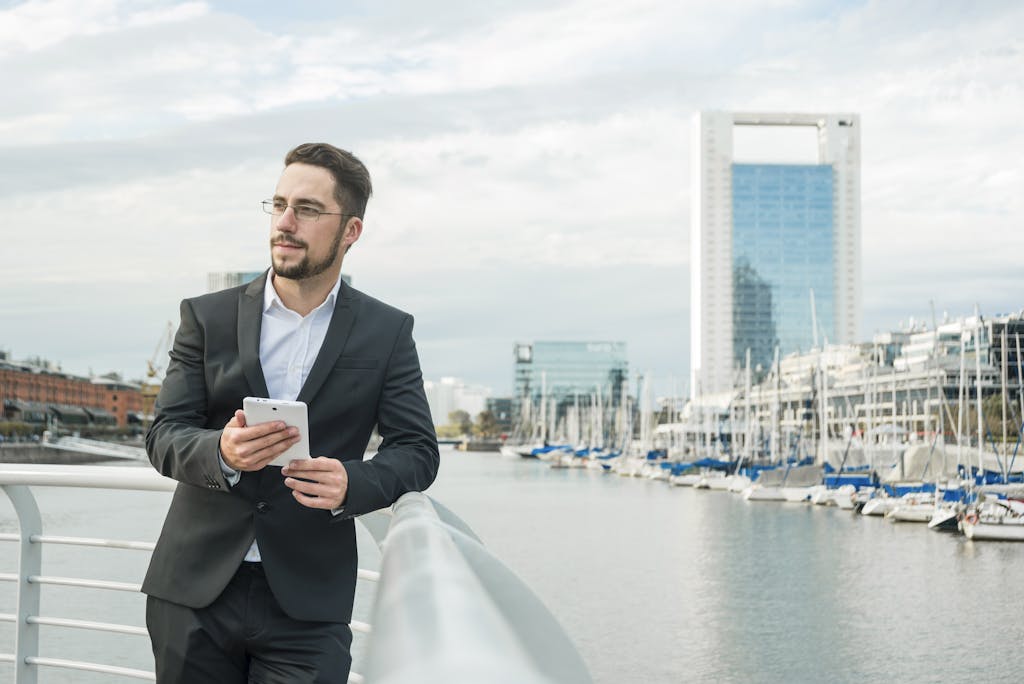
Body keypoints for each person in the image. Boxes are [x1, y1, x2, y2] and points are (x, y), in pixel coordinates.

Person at [142, 142, 439, 683]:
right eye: (279, 205)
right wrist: (220, 451)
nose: (284, 223)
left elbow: (417, 450)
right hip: (192, 594)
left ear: (350, 230)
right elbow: (163, 435)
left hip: (309, 603)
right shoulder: (206, 317)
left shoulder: (388, 331)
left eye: (307, 209)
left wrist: (353, 482)